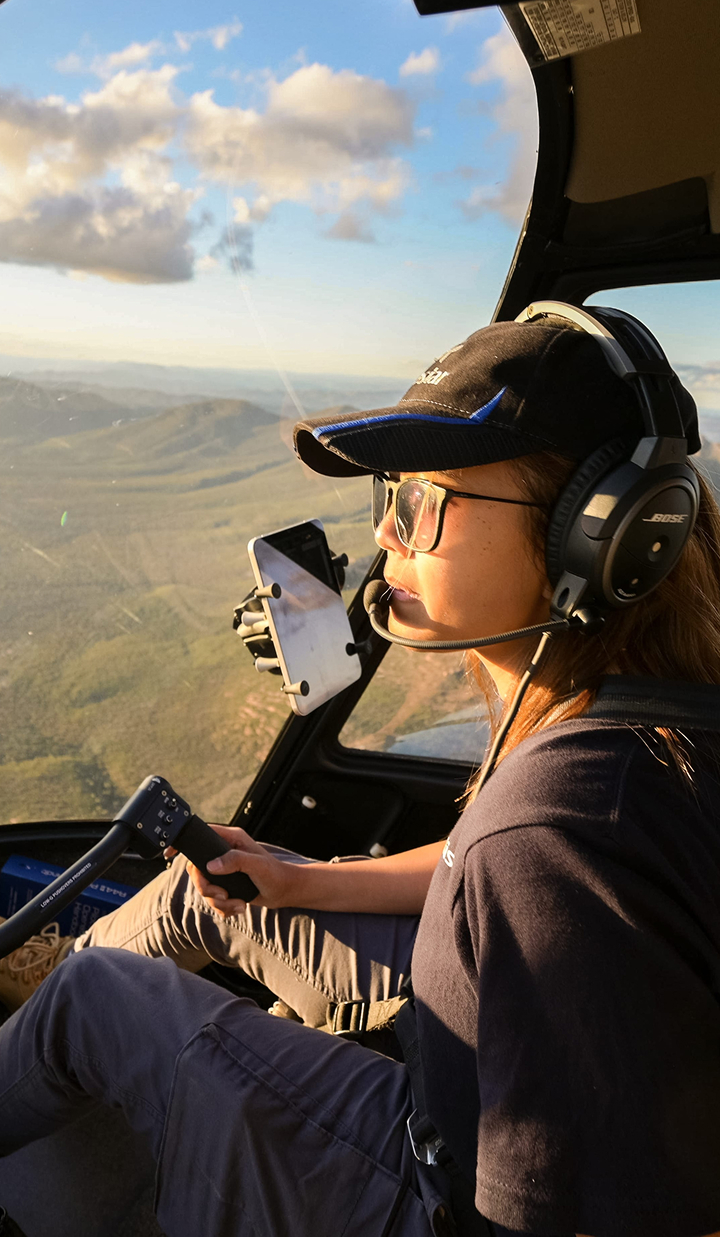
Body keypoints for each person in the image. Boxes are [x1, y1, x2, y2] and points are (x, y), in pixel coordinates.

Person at [2, 312, 720, 1237]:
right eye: (391, 490)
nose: (387, 528)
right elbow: (478, 864)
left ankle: (45, 1015)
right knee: (213, 888)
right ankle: (44, 982)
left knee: (90, 1003)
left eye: (425, 499)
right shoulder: (634, 720)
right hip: (467, 1027)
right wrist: (302, 877)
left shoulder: (557, 835)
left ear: (595, 536)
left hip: (429, 1182)